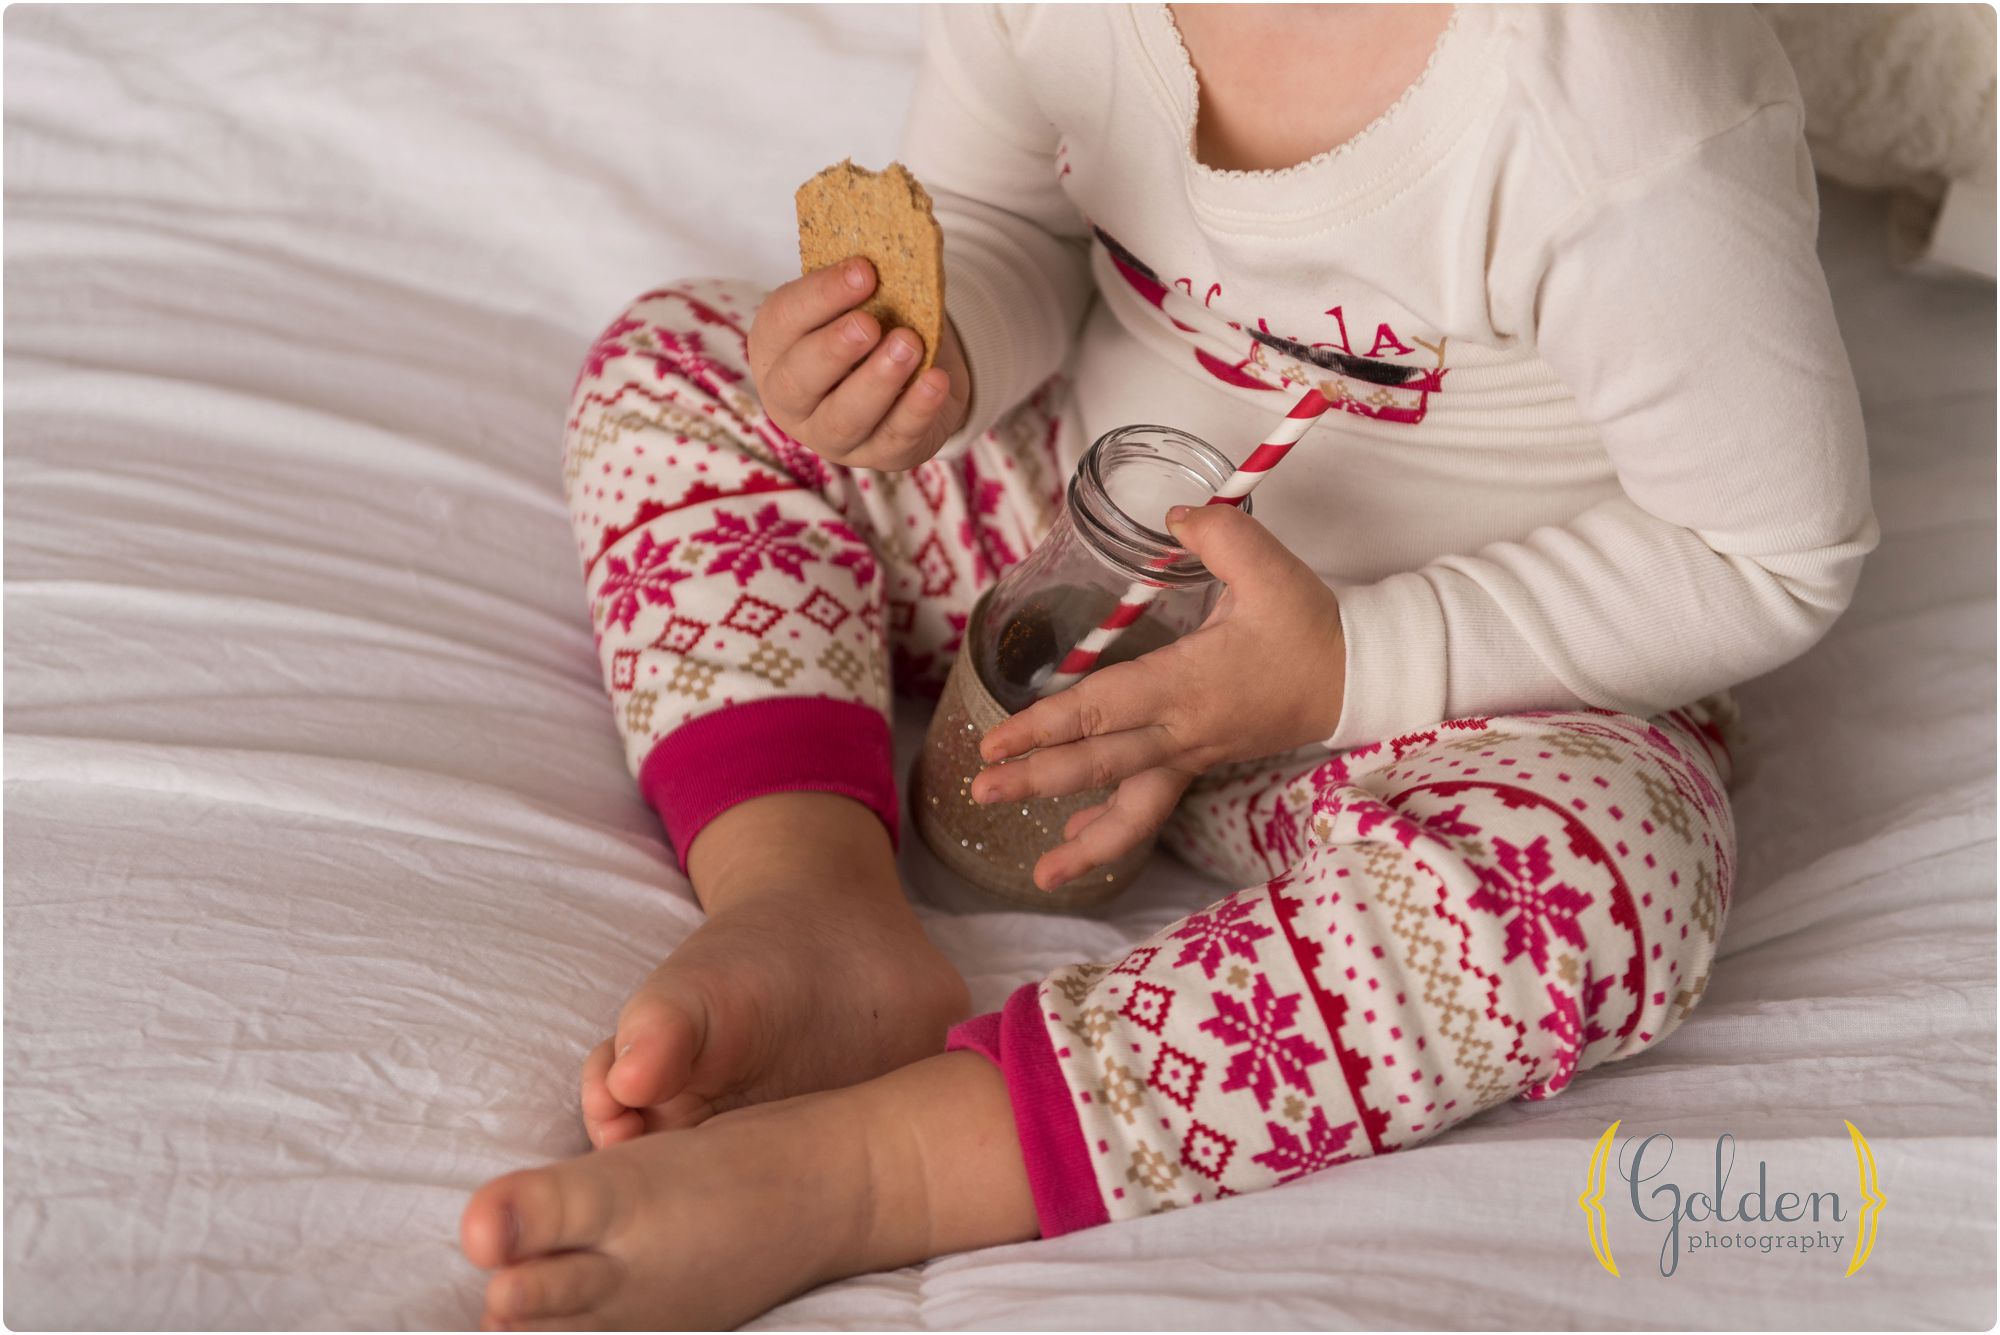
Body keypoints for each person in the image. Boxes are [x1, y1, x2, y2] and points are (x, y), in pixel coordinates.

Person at [460, 4, 1875, 1327]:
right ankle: (809, 901)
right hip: (1070, 555)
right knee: (691, 365)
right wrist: (920, 364)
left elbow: (1767, 549)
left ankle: (889, 1166)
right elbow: (1002, 226)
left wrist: (1347, 667)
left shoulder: (1615, 105)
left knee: (1600, 869)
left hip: (1437, 695)